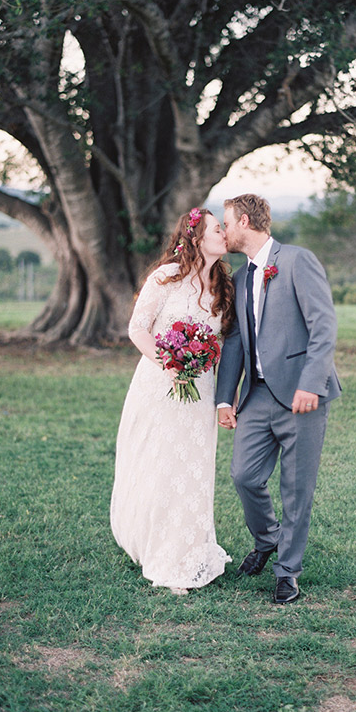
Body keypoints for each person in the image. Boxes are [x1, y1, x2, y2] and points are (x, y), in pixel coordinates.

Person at [216, 194, 341, 604]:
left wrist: (312, 382)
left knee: (296, 488)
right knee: (244, 476)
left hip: (302, 395)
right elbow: (233, 341)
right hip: (256, 395)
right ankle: (267, 539)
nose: (224, 230)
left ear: (246, 222)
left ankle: (288, 571)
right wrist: (224, 398)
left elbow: (323, 325)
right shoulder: (239, 277)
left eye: (227, 222)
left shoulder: (296, 261)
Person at [110, 208, 234, 595]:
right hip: (160, 386)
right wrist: (171, 361)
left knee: (193, 466)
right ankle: (158, 547)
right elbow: (137, 328)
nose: (225, 234)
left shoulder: (222, 286)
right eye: (218, 228)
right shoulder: (166, 276)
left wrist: (201, 364)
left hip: (201, 392)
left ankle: (190, 545)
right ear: (196, 236)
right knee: (161, 464)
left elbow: (223, 343)